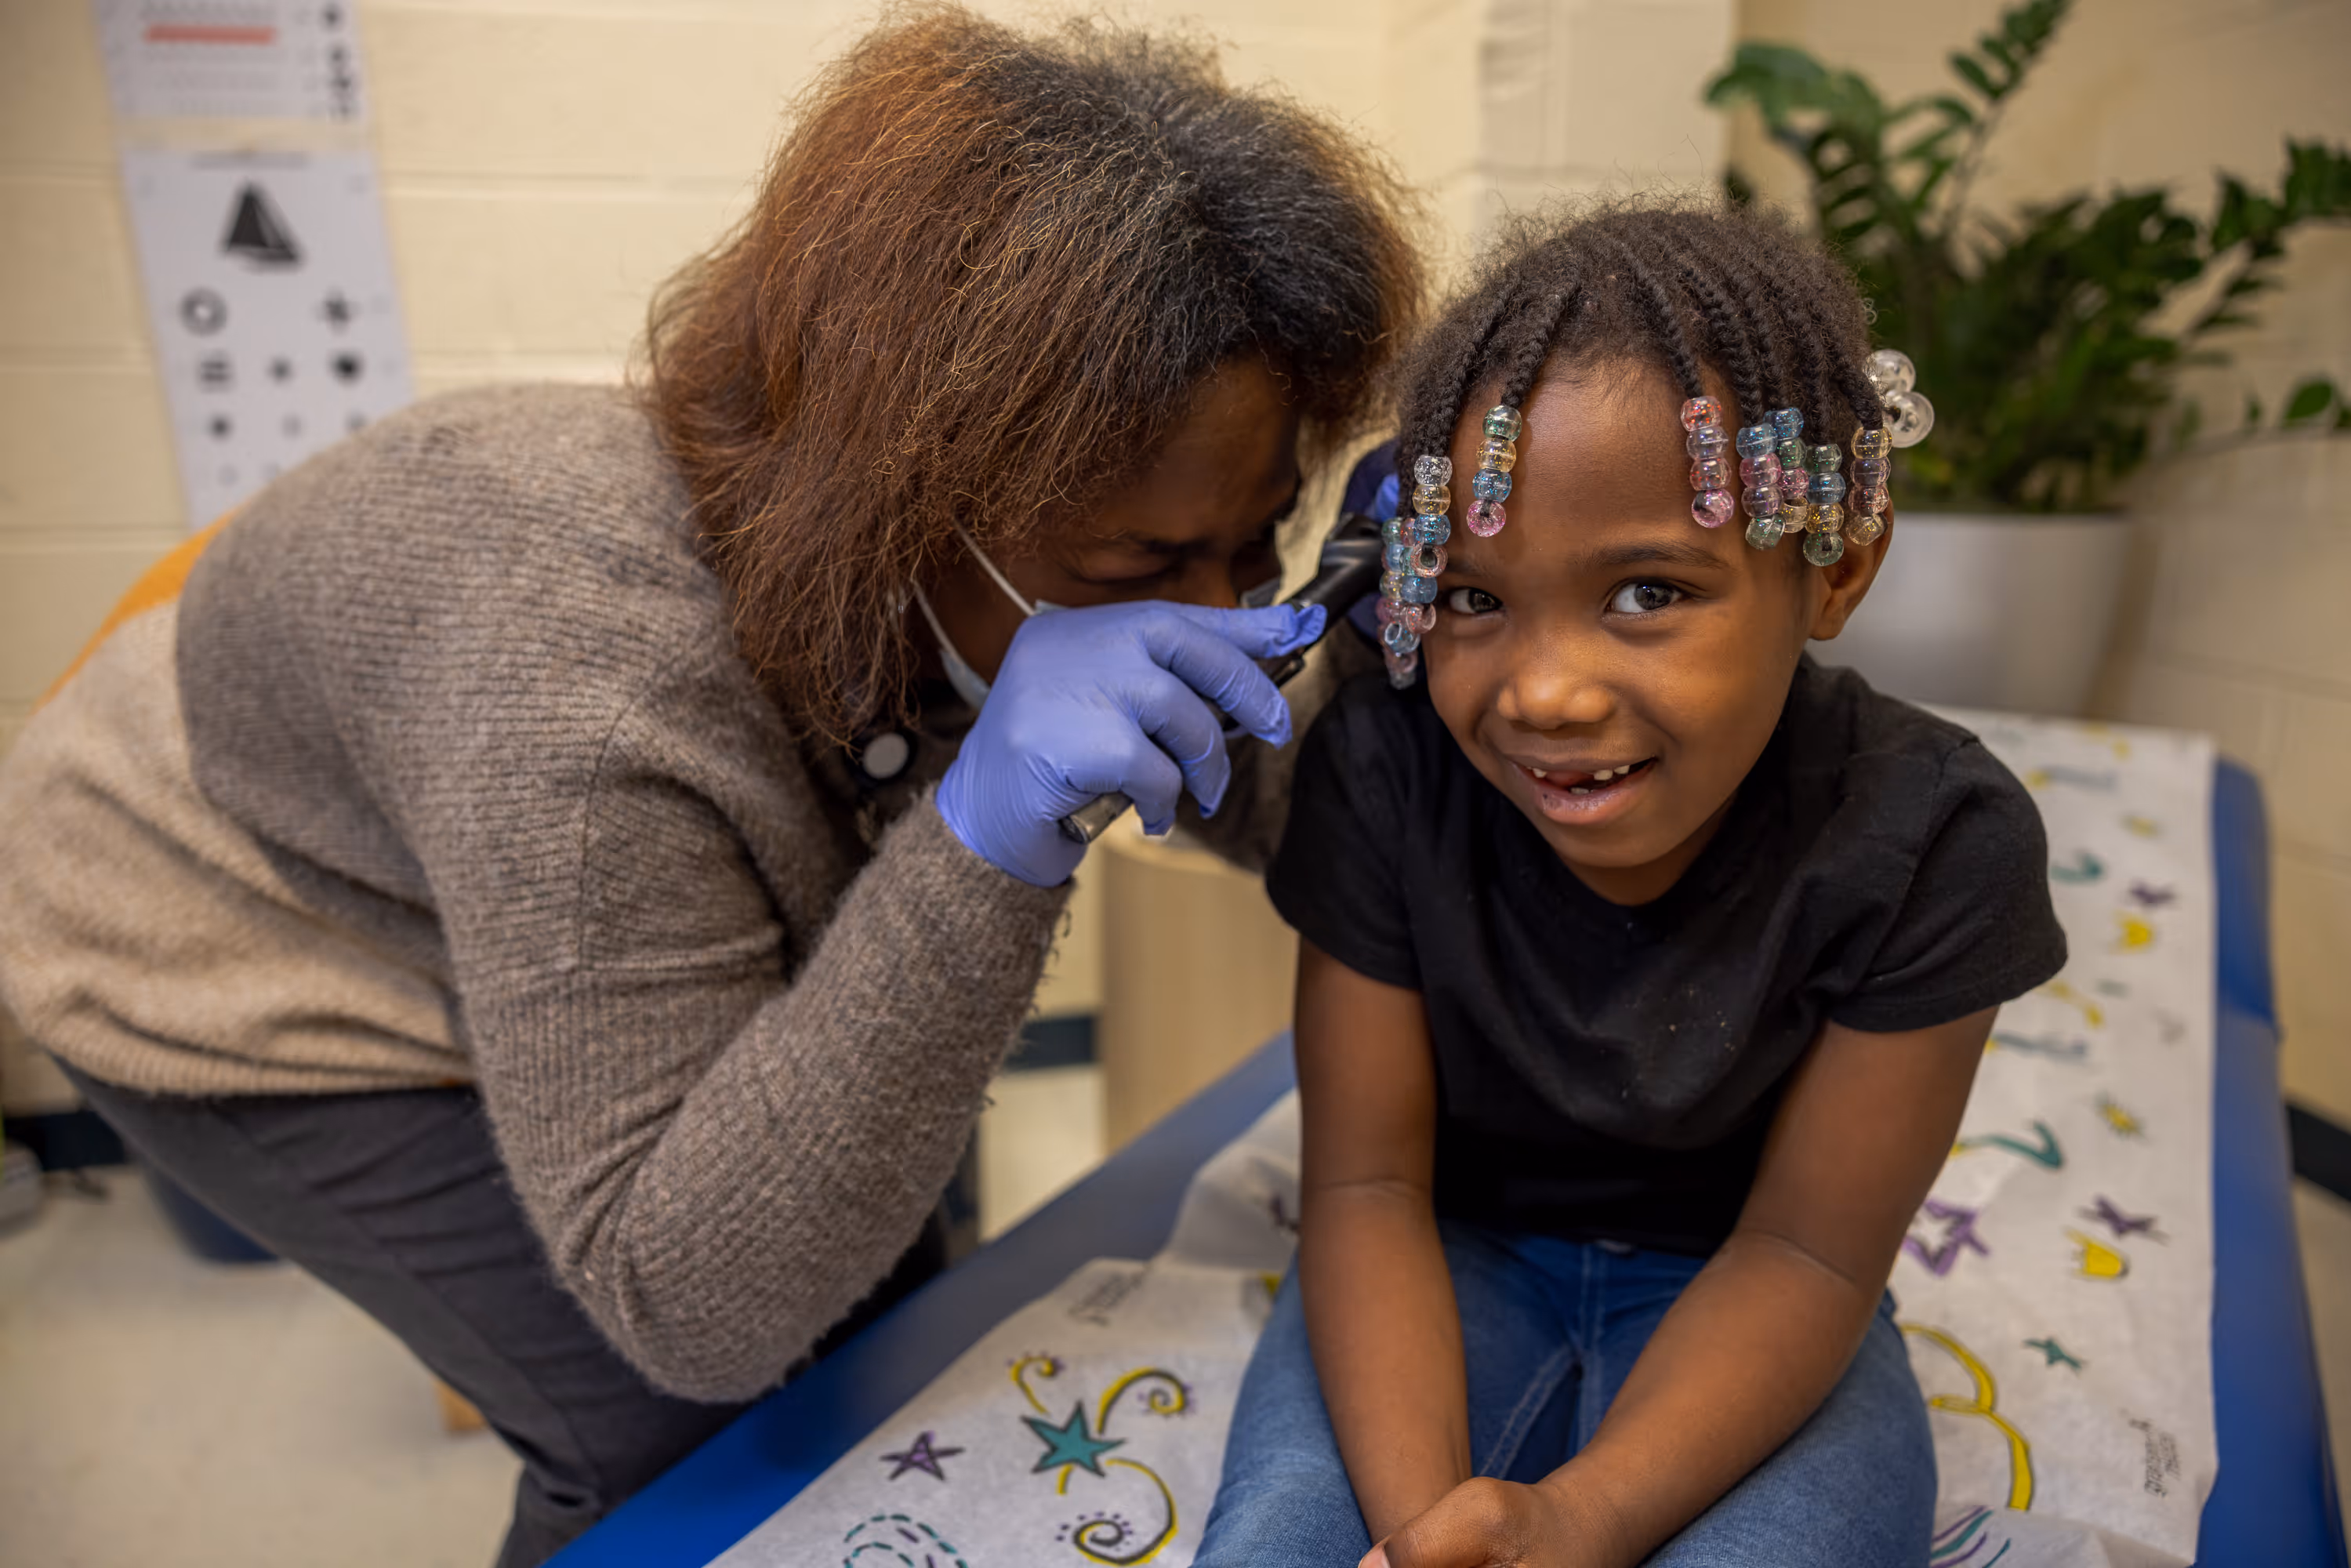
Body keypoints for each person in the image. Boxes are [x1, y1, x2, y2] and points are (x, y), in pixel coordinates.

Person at [0, 11, 1416, 1565]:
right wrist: (986, 849)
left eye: (1258, 540)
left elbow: (1276, 784)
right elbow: (686, 1301)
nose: (1213, 620)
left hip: (483, 817)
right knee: (650, 1425)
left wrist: (1453, 657)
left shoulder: (1018, 543)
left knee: (884, 1299)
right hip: (220, 928)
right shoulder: (595, 695)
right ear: (903, 506)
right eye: (1143, 569)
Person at [1194, 201, 2068, 1568]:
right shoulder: (1382, 771)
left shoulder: (1936, 840)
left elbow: (1809, 1256)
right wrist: (1433, 1535)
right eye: (1474, 601)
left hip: (1756, 1290)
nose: (1543, 694)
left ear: (1831, 567)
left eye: (1648, 592)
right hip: (1441, 1256)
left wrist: (1580, 1521)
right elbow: (1366, 1191)